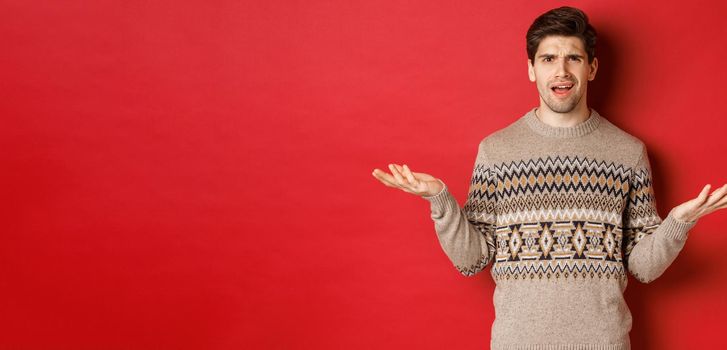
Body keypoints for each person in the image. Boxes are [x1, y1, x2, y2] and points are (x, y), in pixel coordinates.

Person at [371, 6, 727, 350]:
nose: (562, 71)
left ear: (592, 68)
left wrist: (679, 222)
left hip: (603, 344)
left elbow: (642, 267)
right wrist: (440, 200)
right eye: (548, 59)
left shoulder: (627, 153)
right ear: (531, 69)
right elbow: (473, 259)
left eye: (573, 58)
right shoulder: (497, 151)